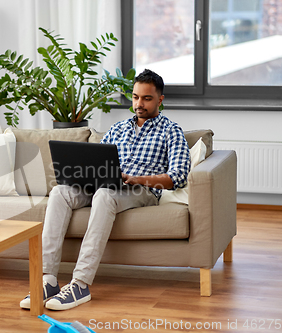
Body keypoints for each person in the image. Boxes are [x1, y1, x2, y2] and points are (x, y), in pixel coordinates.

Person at [20, 69, 191, 311]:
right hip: (102, 182)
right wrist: (87, 174)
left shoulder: (171, 131)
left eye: (146, 98)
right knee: (60, 192)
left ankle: (80, 284)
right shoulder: (118, 128)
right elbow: (96, 159)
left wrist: (135, 178)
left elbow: (178, 177)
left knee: (105, 194)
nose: (139, 104)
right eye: (135, 97)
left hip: (141, 190)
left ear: (160, 100)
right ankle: (47, 279)